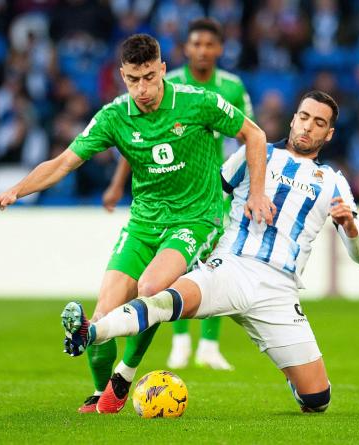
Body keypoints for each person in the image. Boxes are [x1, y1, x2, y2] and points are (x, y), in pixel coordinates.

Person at [0, 34, 274, 414]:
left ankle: (125, 374)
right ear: (122, 76)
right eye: (134, 79)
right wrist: (15, 191)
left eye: (150, 77)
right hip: (143, 223)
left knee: (151, 287)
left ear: (163, 69)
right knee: (102, 318)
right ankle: (104, 394)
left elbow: (255, 134)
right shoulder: (114, 116)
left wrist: (256, 194)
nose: (143, 88)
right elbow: (64, 162)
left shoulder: (196, 102)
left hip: (195, 218)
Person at [62, 91, 359, 413]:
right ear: (294, 118)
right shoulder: (255, 153)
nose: (308, 127)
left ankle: (296, 378)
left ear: (329, 133)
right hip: (230, 267)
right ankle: (91, 332)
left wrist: (350, 230)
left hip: (279, 290)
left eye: (319, 123)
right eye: (304, 117)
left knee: (317, 400)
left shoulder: (333, 183)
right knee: (164, 299)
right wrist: (200, 240)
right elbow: (211, 197)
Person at [102, 18, 253, 371]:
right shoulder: (167, 84)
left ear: (219, 49)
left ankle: (210, 346)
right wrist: (116, 183)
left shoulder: (231, 87)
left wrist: (248, 189)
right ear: (186, 49)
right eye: (195, 44)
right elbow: (137, 146)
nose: (202, 50)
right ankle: (182, 341)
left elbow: (249, 136)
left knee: (213, 264)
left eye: (208, 45)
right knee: (173, 268)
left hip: (212, 189)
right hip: (167, 189)